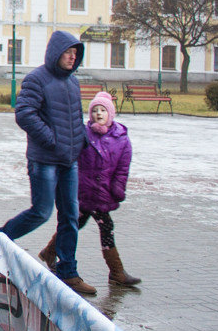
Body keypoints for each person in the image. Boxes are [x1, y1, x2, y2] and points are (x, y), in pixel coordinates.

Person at [0, 30, 99, 295]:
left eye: (76, 54)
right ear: (56, 53)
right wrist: (51, 140)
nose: (72, 57)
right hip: (44, 160)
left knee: (70, 216)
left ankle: (68, 271)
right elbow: (25, 114)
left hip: (69, 160)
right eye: (68, 52)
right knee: (41, 212)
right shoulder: (37, 80)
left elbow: (75, 118)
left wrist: (83, 142)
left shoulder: (72, 83)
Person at [39, 91, 142, 286]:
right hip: (84, 191)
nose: (99, 114)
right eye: (95, 110)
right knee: (100, 226)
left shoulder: (121, 138)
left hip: (103, 193)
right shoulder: (84, 134)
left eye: (103, 110)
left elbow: (123, 167)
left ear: (110, 113)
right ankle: (116, 272)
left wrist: (118, 186)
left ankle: (50, 251)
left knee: (78, 224)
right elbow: (70, 157)